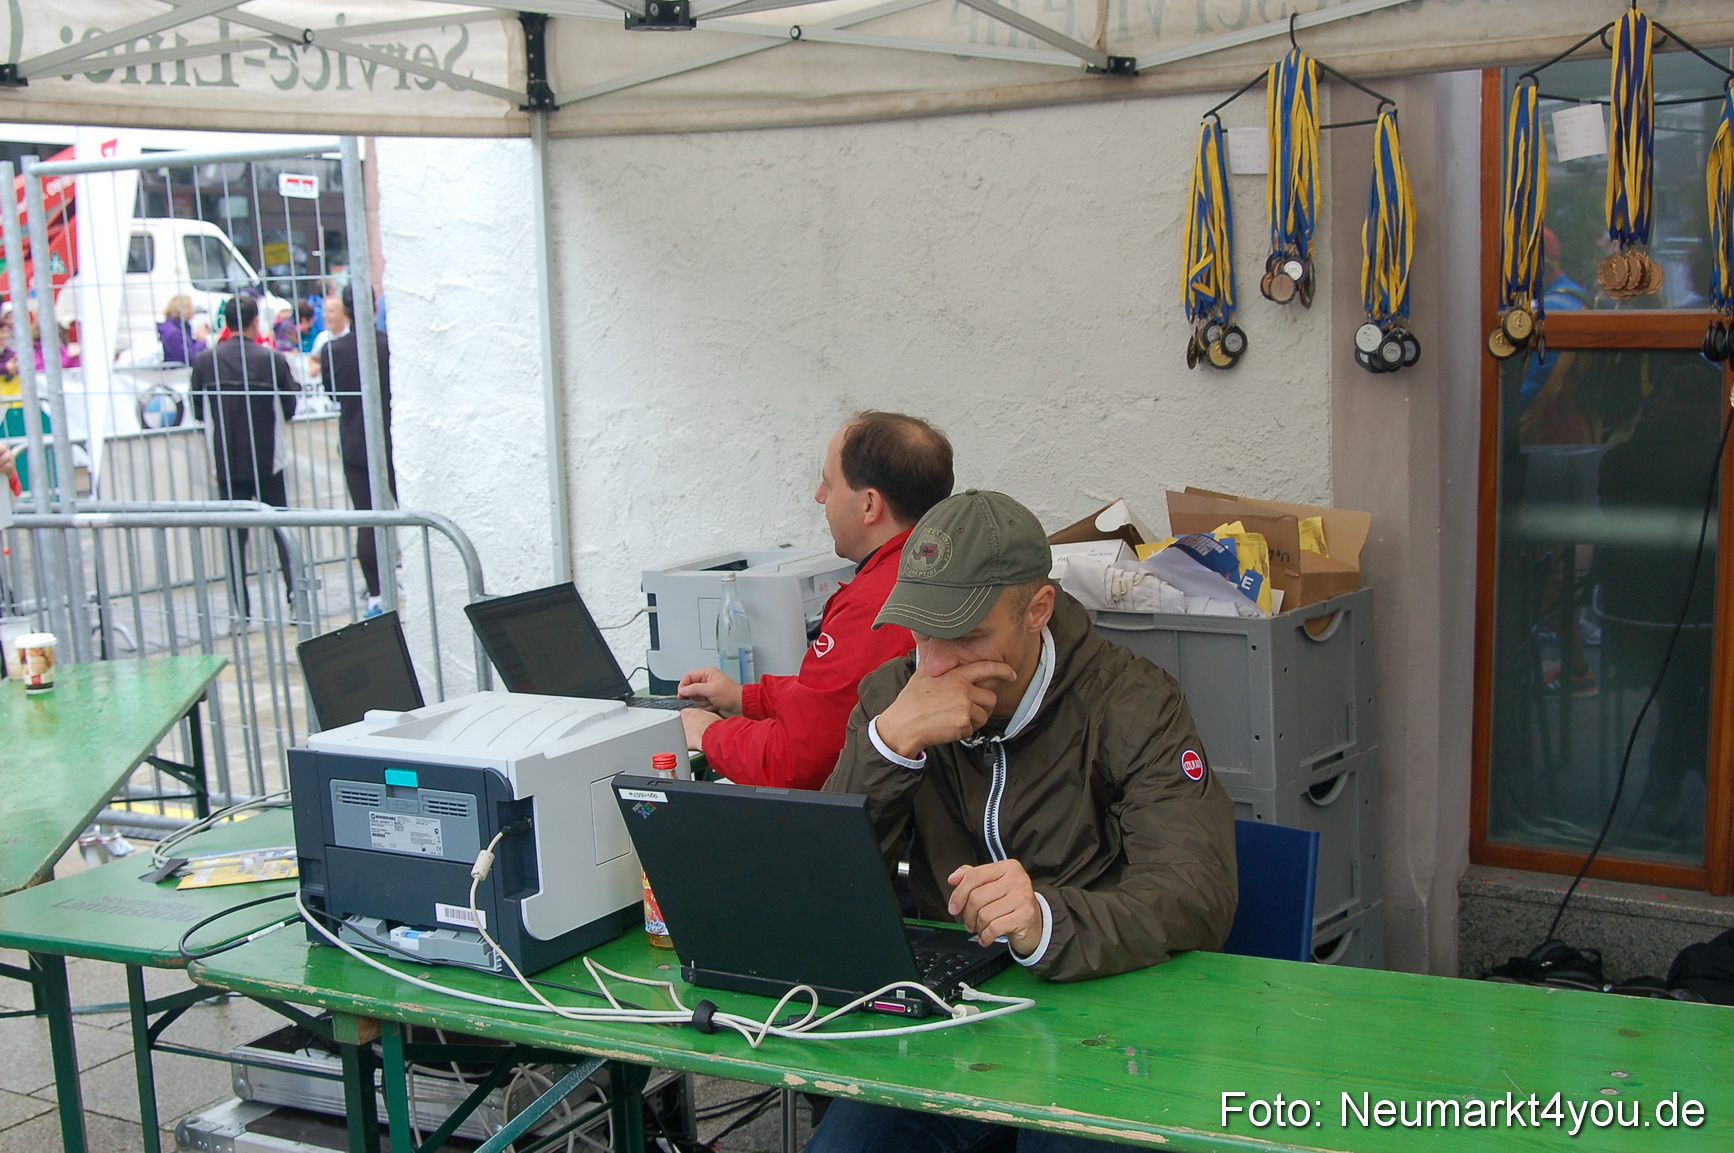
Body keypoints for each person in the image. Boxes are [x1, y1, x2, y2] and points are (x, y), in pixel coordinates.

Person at [808, 489, 1238, 1153]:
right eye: (924, 631)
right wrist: (888, 748)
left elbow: (1196, 892)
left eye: (969, 634)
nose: (940, 663)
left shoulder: (1133, 703)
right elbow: (825, 895)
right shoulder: (895, 698)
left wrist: (1046, 918)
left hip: (1107, 1022)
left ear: (1038, 609)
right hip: (954, 1024)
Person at [676, 412, 954, 789]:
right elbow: (836, 698)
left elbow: (795, 764)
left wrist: (708, 732)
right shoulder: (938, 568)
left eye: (829, 484)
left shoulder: (877, 605)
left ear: (869, 505)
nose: (819, 496)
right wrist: (746, 698)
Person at [189, 295, 299, 612]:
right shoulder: (272, 360)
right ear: (255, 322)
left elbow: (198, 410)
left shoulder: (205, 362)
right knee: (282, 531)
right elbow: (290, 407)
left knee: (235, 538)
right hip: (269, 459)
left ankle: (240, 608)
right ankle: (294, 597)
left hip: (226, 459)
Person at [320, 286, 395, 617]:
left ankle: (377, 593)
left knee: (366, 518)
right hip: (391, 439)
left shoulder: (334, 350)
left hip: (355, 440)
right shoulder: (389, 345)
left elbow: (333, 394)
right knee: (408, 511)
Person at [157, 295, 209, 366]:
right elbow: (188, 359)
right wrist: (200, 340)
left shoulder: (182, 327)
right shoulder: (173, 333)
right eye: (191, 307)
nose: (194, 310)